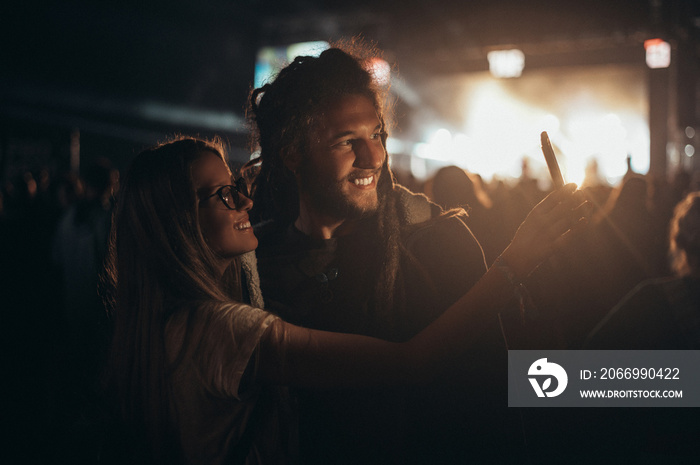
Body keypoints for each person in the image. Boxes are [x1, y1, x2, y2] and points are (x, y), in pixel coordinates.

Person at [105, 136, 586, 465]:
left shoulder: (162, 324)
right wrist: (517, 260)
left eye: (240, 187)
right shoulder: (224, 330)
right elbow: (412, 362)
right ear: (177, 222)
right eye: (223, 194)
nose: (245, 203)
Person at [245, 44, 499, 462]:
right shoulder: (257, 265)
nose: (374, 156)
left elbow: (492, 398)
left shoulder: (436, 243)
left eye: (376, 135)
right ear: (292, 153)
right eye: (348, 142)